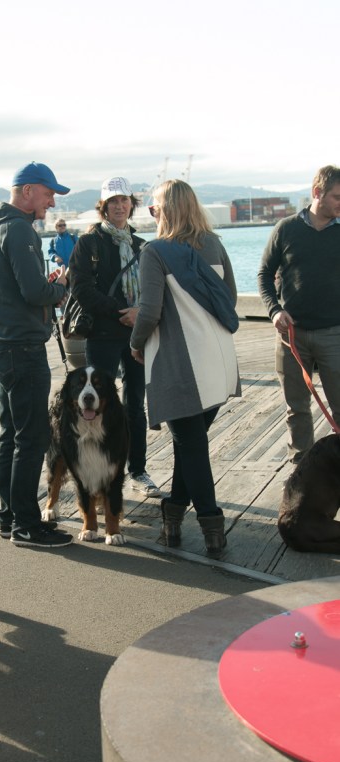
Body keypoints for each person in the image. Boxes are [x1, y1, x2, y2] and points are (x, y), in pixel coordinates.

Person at [130, 179, 240, 558]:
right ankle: (172, 515)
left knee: (191, 446)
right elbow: (231, 298)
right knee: (189, 446)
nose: (151, 214)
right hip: (220, 362)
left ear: (165, 210)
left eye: (153, 207)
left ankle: (212, 527)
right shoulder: (215, 244)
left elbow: (149, 311)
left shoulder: (155, 252)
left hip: (181, 365)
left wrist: (135, 343)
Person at [0, 161, 73, 548]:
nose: (51, 202)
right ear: (29, 190)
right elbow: (35, 294)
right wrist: (61, 286)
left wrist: (43, 288)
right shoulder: (20, 231)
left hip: (1, 345)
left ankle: (9, 517)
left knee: (11, 437)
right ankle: (26, 525)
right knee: (32, 439)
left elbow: (19, 289)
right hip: (22, 348)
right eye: (49, 193)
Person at [68, 177, 160, 497]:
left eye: (124, 201)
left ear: (131, 205)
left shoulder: (141, 245)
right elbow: (81, 288)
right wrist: (121, 311)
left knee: (135, 406)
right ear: (103, 207)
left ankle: (138, 469)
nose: (119, 206)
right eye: (113, 202)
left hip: (136, 334)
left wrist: (140, 314)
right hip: (103, 334)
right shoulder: (89, 243)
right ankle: (103, 470)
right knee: (100, 407)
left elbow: (153, 288)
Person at [258, 164, 340, 464]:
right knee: (297, 408)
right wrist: (274, 310)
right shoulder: (286, 228)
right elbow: (265, 274)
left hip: (335, 333)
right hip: (291, 334)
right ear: (317, 193)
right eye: (337, 197)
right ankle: (302, 473)